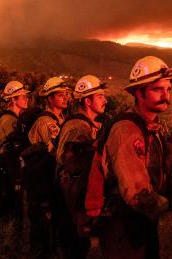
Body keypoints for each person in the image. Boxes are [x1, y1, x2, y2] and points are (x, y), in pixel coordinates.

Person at [94, 56, 172, 259]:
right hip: (124, 227)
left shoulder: (153, 128)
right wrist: (169, 205)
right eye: (157, 89)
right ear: (138, 93)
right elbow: (138, 196)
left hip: (141, 223)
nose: (166, 96)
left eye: (168, 89)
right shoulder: (127, 131)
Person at [55, 74, 107, 258]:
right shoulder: (79, 128)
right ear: (87, 101)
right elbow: (70, 168)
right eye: (100, 96)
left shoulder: (85, 125)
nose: (105, 100)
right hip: (71, 204)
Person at [25, 77, 69, 258]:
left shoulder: (60, 118)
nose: (65, 98)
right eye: (60, 95)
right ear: (49, 99)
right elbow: (58, 152)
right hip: (43, 181)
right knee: (43, 224)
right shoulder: (46, 122)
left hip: (51, 179)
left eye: (66, 94)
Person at [0, 81, 29, 221]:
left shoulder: (11, 117)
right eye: (23, 97)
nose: (26, 99)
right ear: (13, 99)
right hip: (6, 168)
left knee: (10, 202)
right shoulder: (9, 120)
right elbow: (15, 146)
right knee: (10, 203)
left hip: (6, 166)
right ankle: (7, 236)